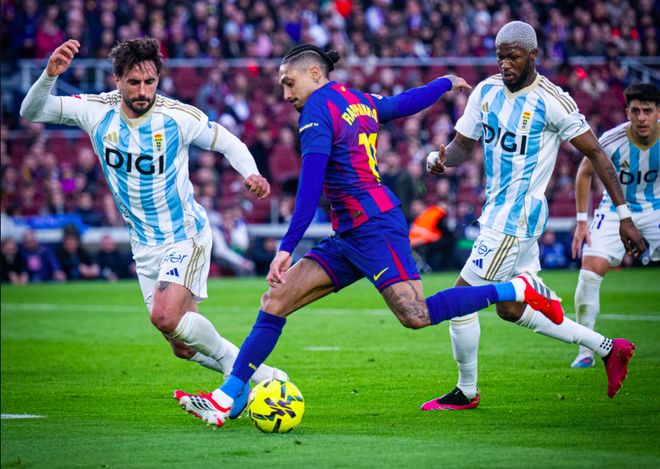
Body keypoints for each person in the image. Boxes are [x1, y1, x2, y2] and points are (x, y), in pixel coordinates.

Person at [174, 44, 567, 427]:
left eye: (289, 83)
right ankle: (230, 395)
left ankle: (517, 289)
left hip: (375, 227)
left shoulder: (316, 109)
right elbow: (401, 104)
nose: (286, 93)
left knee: (415, 315)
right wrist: (444, 83)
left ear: (315, 74)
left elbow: (309, 189)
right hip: (349, 233)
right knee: (275, 300)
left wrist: (286, 248)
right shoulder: (356, 99)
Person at [20, 37, 287, 417]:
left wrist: (252, 173)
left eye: (150, 82)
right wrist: (49, 75)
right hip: (143, 245)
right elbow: (31, 111)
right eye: (134, 82)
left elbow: (227, 141)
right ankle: (258, 376)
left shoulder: (176, 117)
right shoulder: (95, 111)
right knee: (182, 346)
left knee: (164, 315)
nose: (143, 91)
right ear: (117, 80)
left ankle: (245, 377)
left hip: (184, 234)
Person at [423, 21, 646, 411]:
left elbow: (595, 152)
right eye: (500, 57)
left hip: (516, 219)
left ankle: (467, 391)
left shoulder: (552, 100)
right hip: (498, 214)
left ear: (533, 55)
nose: (505, 64)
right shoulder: (486, 92)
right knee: (510, 310)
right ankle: (608, 348)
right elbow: (462, 146)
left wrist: (624, 215)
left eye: (513, 56)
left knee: (459, 302)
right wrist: (441, 160)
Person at [570, 83, 659, 368]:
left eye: (648, 111)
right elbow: (584, 172)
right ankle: (585, 351)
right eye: (636, 111)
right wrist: (582, 222)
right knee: (589, 270)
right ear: (627, 112)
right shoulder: (611, 140)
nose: (641, 118)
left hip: (656, 208)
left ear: (658, 112)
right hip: (613, 211)